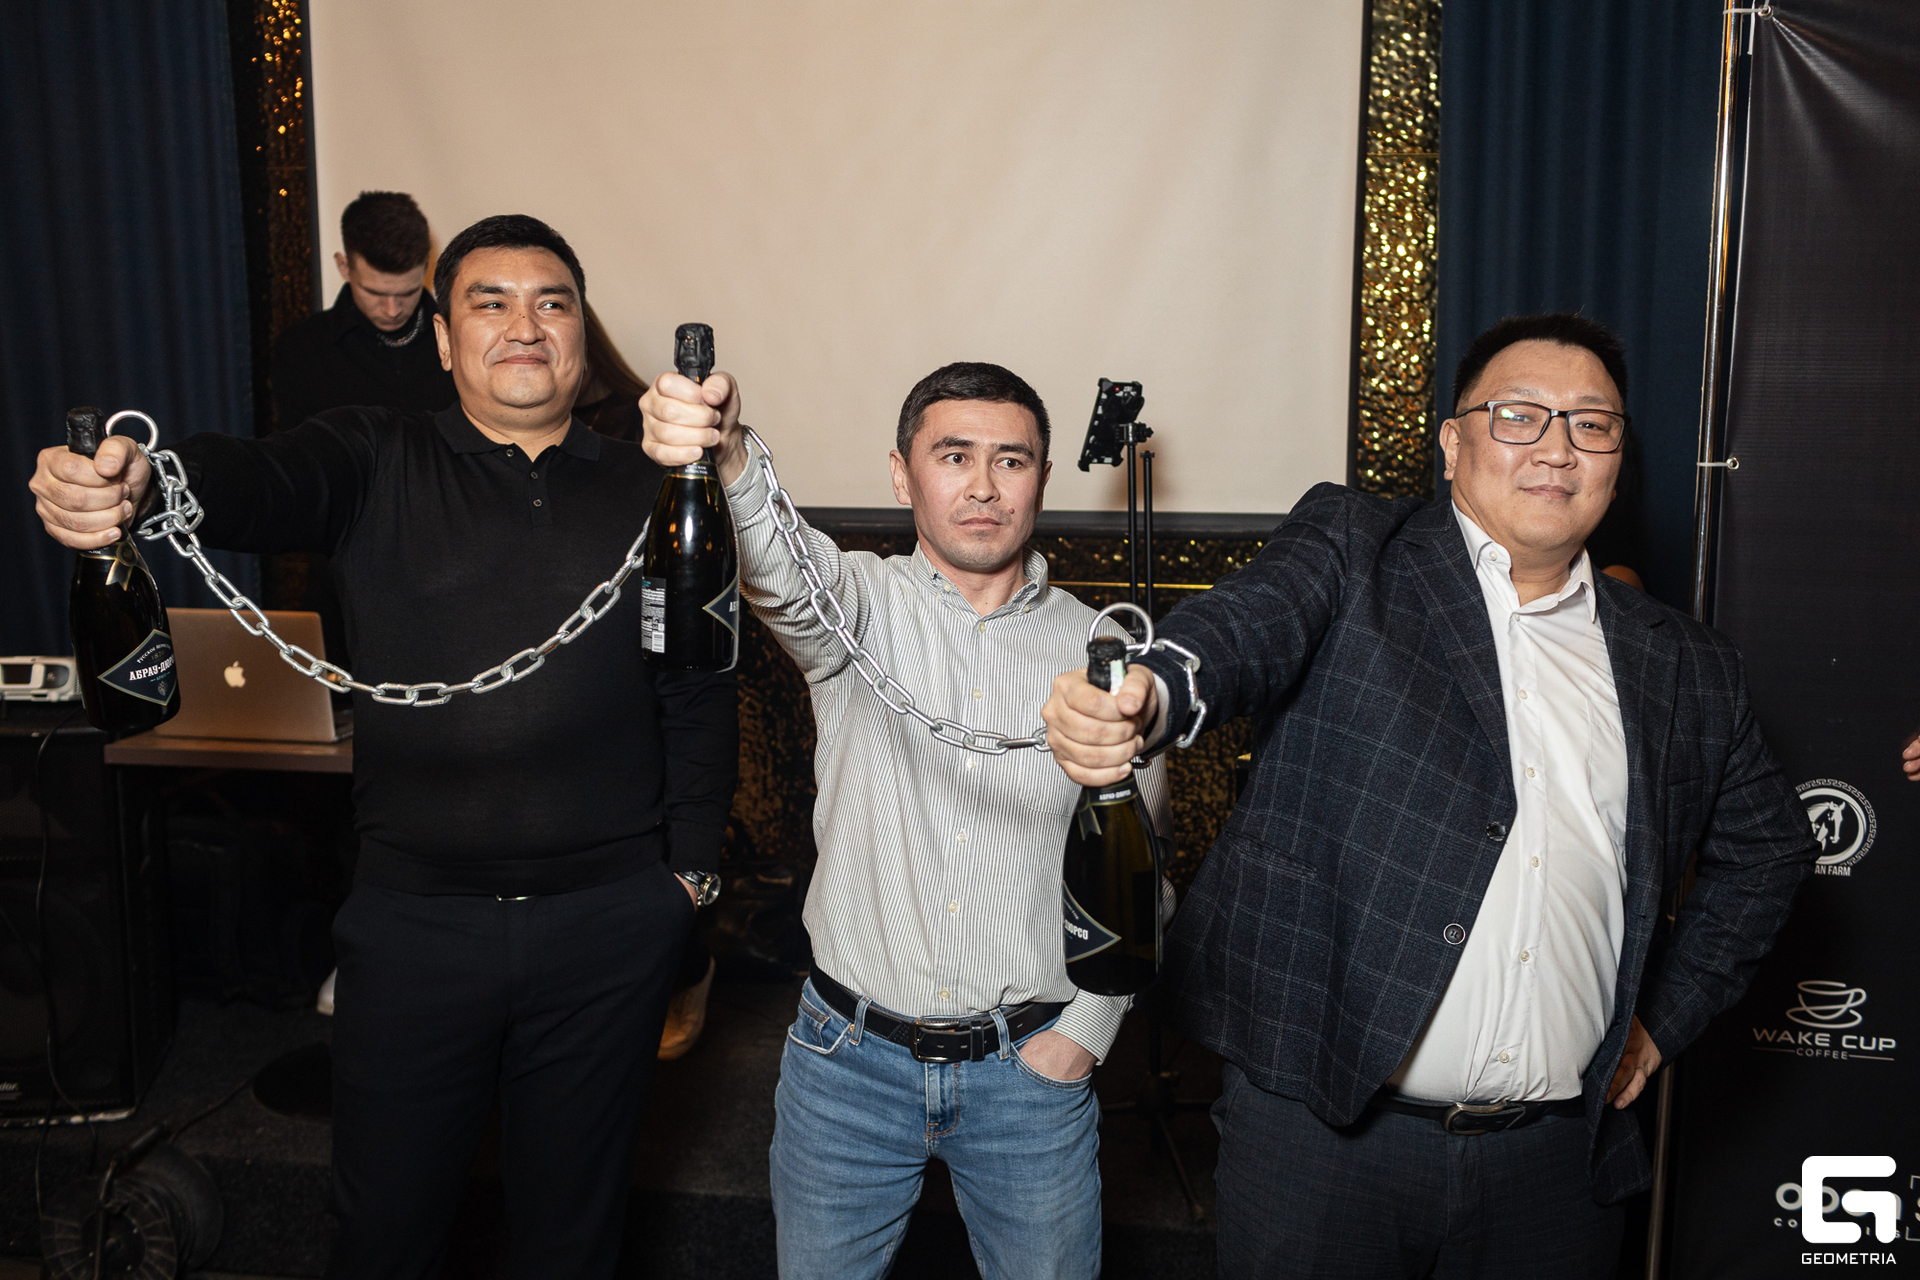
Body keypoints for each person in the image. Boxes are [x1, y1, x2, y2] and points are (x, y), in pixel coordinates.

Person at [30, 214, 737, 1280]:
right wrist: (140, 484)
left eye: (551, 302)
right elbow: (259, 480)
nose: (525, 325)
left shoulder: (653, 487)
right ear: (444, 340)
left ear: (581, 334)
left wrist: (689, 878)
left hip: (608, 928)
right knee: (385, 1237)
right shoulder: (374, 454)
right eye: (489, 303)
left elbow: (698, 686)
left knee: (573, 1242)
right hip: (417, 930)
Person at [1041, 313, 1817, 1278]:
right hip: (1323, 1141)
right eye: (1519, 416)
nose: (1557, 448)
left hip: (1552, 1172)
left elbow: (1771, 851)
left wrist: (1661, 1021)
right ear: (1453, 444)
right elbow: (1243, 629)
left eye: (1591, 424)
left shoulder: (1686, 664)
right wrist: (1151, 693)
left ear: (1617, 462)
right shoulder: (1357, 549)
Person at [641, 360, 1172, 1280]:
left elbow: (1144, 881)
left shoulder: (1110, 658)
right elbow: (777, 560)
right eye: (953, 456)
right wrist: (726, 452)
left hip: (1030, 1073)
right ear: (902, 474)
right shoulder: (854, 607)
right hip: (845, 1067)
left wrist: (1082, 1037)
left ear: (1042, 479)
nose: (983, 486)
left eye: (1011, 460)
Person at [271, 190, 457, 432]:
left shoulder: (462, 338)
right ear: (344, 267)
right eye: (374, 293)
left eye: (407, 293)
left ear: (426, 267)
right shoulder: (301, 349)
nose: (392, 310)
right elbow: (297, 451)